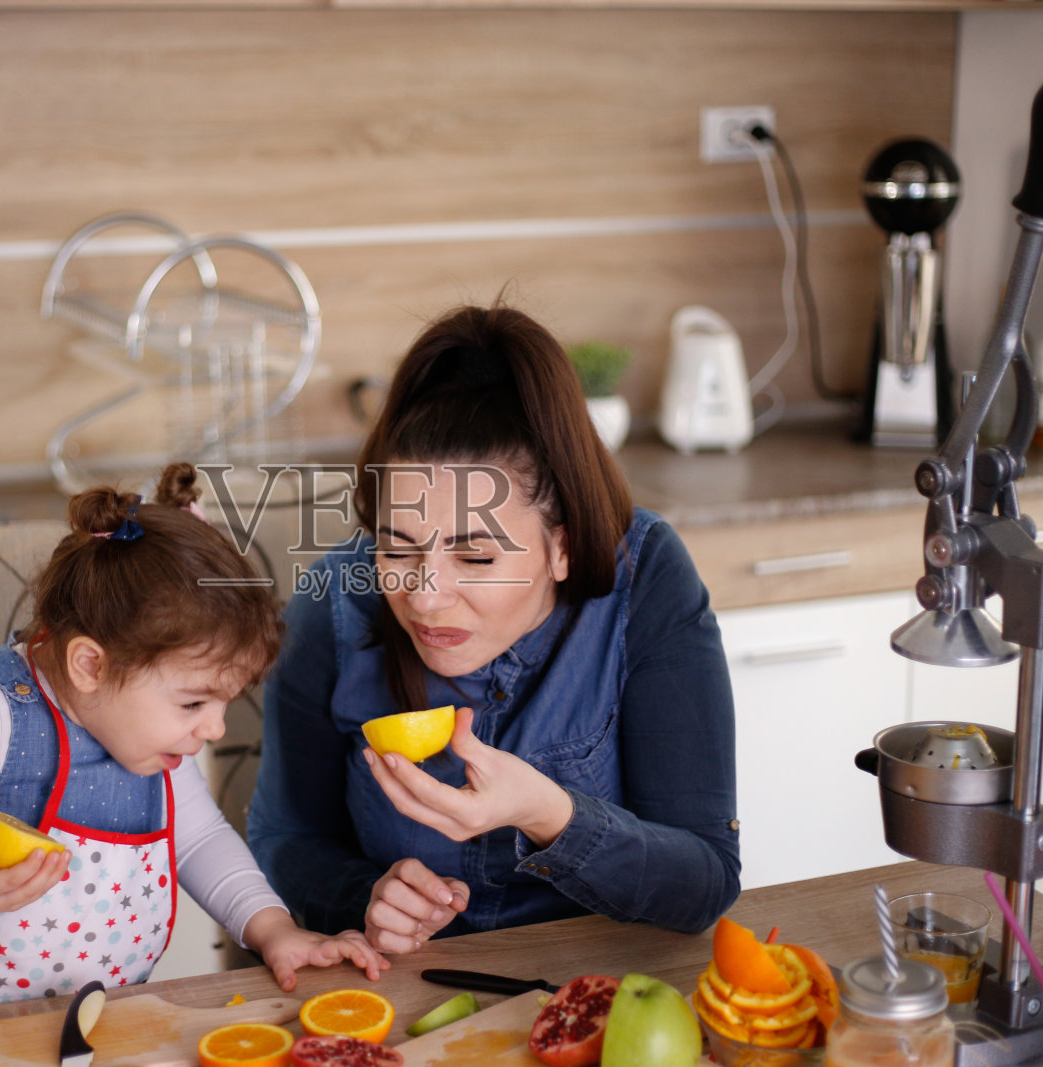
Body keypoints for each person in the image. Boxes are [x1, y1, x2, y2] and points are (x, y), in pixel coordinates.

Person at [247, 303, 740, 955]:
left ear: (561, 548)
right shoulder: (337, 600)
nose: (424, 596)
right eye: (397, 549)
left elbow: (704, 883)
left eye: (475, 557)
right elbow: (285, 837)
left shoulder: (645, 579)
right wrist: (362, 894)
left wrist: (547, 812)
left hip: (603, 983)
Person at [0, 463, 385, 1022]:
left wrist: (274, 930)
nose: (213, 730)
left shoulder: (155, 743)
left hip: (96, 1035)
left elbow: (201, 841)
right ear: (90, 664)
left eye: (223, 704)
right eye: (193, 703)